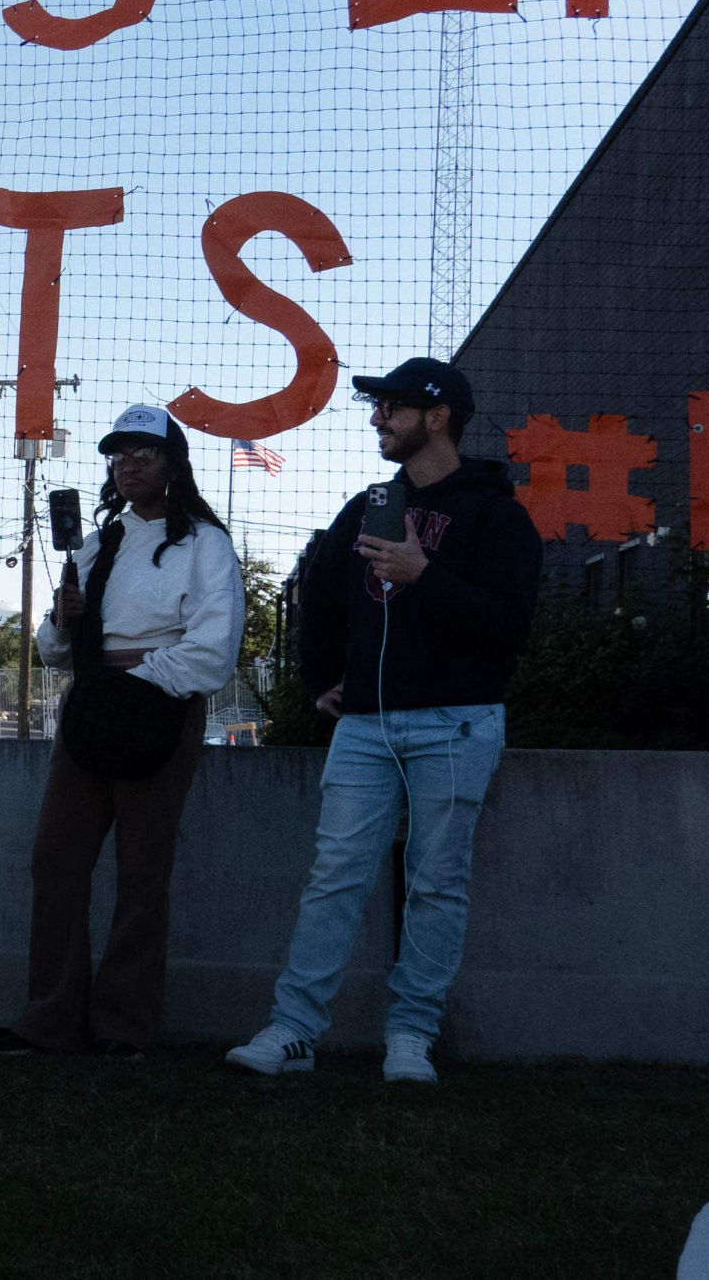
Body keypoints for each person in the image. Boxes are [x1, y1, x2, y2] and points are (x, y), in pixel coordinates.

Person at [228, 357, 541, 1085]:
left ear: (438, 416)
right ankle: (295, 1029)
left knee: (436, 883)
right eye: (377, 407)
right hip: (366, 726)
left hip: (458, 722)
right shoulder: (370, 500)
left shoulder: (497, 515)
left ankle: (410, 1035)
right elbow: (319, 592)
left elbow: (509, 626)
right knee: (334, 876)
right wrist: (318, 678)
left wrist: (424, 575)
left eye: (392, 407)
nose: (377, 417)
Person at [1, 405, 244, 1059]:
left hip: (158, 708)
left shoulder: (205, 543)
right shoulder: (98, 541)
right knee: (56, 859)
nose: (129, 462)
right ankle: (51, 1018)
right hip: (92, 706)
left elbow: (214, 650)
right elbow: (53, 651)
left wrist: (136, 678)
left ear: (173, 462)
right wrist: (62, 619)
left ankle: (123, 1025)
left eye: (145, 451)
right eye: (119, 453)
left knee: (142, 873)